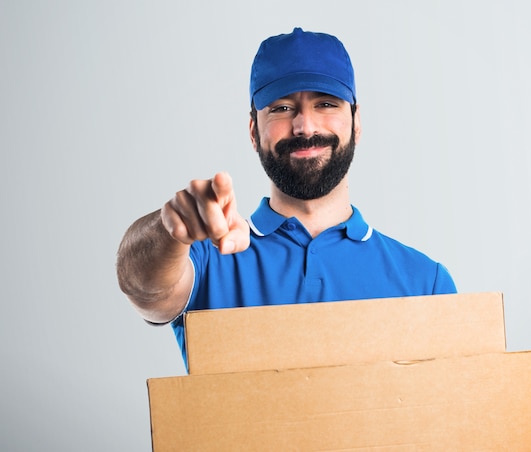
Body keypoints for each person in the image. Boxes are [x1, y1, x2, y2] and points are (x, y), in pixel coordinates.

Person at [116, 27, 457, 369]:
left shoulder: (424, 283)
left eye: (325, 103)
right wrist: (171, 229)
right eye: (281, 107)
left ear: (356, 122)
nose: (305, 126)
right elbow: (144, 288)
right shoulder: (207, 260)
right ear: (254, 131)